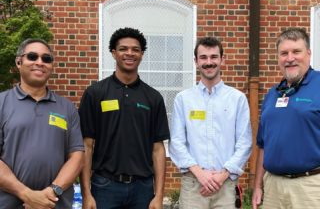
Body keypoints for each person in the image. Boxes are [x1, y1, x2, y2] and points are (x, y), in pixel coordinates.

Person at [79, 27, 170, 209]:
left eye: (135, 49)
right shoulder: (95, 93)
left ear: (142, 54)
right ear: (114, 53)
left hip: (142, 188)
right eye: (123, 49)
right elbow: (86, 146)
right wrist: (86, 194)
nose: (130, 53)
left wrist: (158, 195)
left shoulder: (153, 98)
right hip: (104, 187)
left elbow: (158, 149)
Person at [0, 38, 84, 209]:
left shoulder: (67, 108)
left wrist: (52, 192)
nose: (40, 62)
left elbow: (77, 156)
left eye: (46, 59)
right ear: (19, 62)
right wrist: (26, 194)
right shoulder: (2, 103)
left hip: (55, 204)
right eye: (32, 56)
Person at [169, 36, 252, 209]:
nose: (209, 62)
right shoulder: (183, 99)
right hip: (193, 186)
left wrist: (221, 176)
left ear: (222, 59)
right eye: (203, 57)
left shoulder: (237, 99)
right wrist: (201, 174)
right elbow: (176, 143)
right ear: (196, 61)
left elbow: (245, 143)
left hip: (225, 185)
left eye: (214, 57)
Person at [252, 27, 320, 209]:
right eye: (284, 53)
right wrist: (258, 186)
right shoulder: (273, 94)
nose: (290, 58)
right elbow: (263, 145)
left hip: (310, 187)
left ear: (308, 53)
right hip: (273, 187)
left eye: (296, 51)